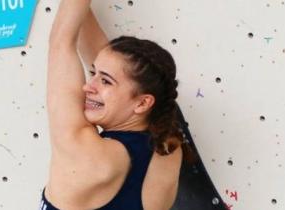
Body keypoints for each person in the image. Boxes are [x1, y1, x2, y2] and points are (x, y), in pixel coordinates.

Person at [41, 1, 187, 209]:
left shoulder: (83, 153)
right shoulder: (168, 146)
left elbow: (60, 43)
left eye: (105, 81)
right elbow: (118, 70)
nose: (87, 87)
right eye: (93, 73)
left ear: (144, 102)